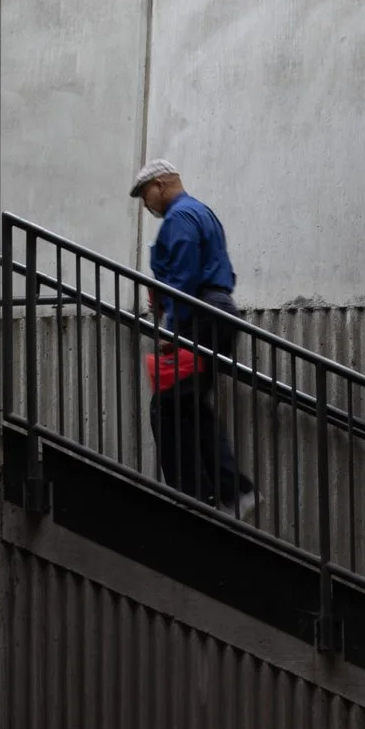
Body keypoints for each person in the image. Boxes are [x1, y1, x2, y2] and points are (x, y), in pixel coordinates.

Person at [130, 159, 254, 512]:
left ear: (160, 184)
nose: (146, 204)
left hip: (198, 316)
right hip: (216, 314)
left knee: (167, 409)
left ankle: (196, 496)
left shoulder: (179, 218)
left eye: (145, 195)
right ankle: (229, 490)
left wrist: (172, 328)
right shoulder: (203, 213)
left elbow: (183, 275)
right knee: (188, 407)